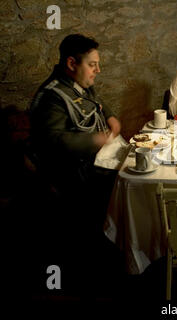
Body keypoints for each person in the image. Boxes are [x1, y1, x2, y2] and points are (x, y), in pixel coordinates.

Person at [29, 34, 123, 295]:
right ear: (72, 63)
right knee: (125, 185)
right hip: (70, 177)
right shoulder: (53, 97)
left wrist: (111, 115)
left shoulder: (77, 83)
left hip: (92, 164)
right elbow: (52, 141)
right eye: (92, 64)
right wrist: (97, 139)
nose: (98, 70)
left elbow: (97, 100)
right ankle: (100, 267)